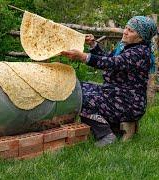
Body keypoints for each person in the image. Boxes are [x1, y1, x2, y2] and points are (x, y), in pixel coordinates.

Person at [61, 16, 157, 147]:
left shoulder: (139, 52)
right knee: (76, 87)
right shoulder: (127, 47)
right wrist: (93, 44)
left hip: (127, 103)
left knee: (81, 98)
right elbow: (108, 57)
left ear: (141, 37)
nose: (125, 31)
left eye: (131, 31)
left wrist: (83, 57)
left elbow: (111, 63)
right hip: (116, 94)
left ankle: (105, 134)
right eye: (126, 28)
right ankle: (105, 125)